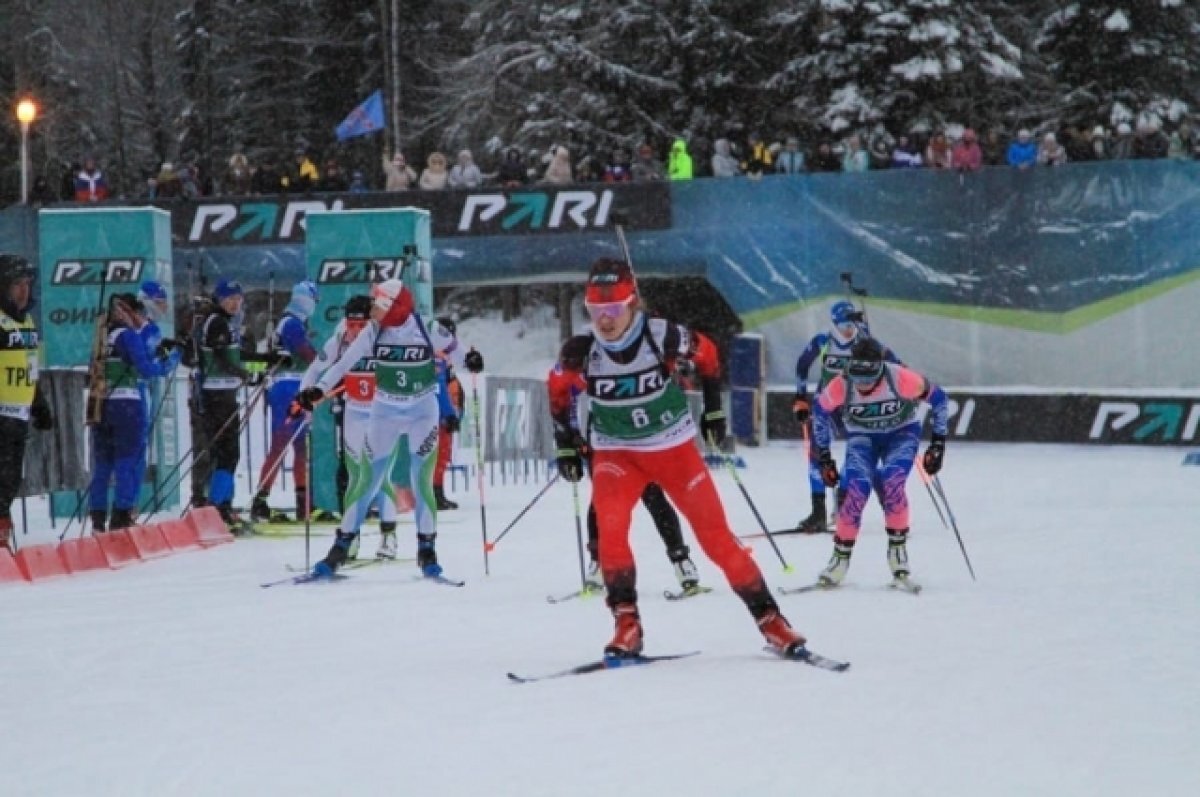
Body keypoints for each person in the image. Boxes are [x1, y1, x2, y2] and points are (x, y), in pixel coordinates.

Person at [552, 257, 808, 658]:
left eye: (614, 309)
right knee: (610, 533)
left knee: (716, 539)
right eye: (596, 311)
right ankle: (627, 624)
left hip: (673, 450)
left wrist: (713, 408)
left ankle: (771, 620)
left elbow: (707, 354)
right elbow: (558, 391)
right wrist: (566, 443)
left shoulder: (663, 336)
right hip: (616, 453)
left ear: (632, 303)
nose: (605, 321)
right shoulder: (581, 350)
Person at [296, 280, 484, 577]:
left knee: (421, 479)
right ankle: (340, 548)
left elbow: (458, 352)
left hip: (422, 411)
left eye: (379, 305)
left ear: (397, 306)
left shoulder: (427, 328)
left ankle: (427, 549)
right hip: (384, 412)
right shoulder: (373, 330)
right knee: (367, 480)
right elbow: (344, 364)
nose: (373, 310)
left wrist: (471, 360)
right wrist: (318, 390)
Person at [548, 336, 704, 596]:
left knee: (654, 497)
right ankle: (598, 564)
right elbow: (560, 410)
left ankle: (682, 563)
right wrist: (567, 448)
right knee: (603, 501)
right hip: (602, 443)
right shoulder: (564, 374)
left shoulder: (617, 364)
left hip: (640, 440)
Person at [810, 337, 948, 591]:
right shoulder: (842, 383)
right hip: (862, 438)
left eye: (869, 378)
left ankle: (898, 556)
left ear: (880, 369)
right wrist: (825, 459)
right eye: (857, 377)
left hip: (901, 434)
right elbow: (819, 412)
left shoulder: (901, 378)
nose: (862, 385)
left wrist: (937, 445)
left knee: (892, 481)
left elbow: (939, 399)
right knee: (856, 489)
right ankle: (839, 561)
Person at [301, 295, 404, 558]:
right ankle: (351, 538)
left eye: (361, 325)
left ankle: (388, 536)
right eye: (351, 324)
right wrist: (306, 398)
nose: (355, 331)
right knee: (356, 477)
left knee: (381, 476)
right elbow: (314, 371)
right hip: (354, 413)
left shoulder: (386, 337)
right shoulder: (338, 340)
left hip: (383, 414)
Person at [792, 301, 900, 534]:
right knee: (817, 456)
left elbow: (895, 364)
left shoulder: (866, 343)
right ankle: (818, 513)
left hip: (855, 408)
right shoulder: (823, 341)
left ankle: (857, 507)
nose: (848, 329)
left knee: (862, 457)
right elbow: (802, 366)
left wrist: (909, 387)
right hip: (827, 407)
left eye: (852, 323)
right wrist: (800, 398)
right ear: (834, 323)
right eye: (843, 324)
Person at [88, 294, 181, 532]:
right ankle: (121, 516)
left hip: (101, 404)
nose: (139, 320)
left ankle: (98, 519)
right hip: (127, 404)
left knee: (103, 465)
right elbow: (146, 369)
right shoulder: (127, 335)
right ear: (127, 313)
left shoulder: (102, 335)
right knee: (127, 461)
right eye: (136, 314)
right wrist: (171, 361)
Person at [250, 281, 320, 522]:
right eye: (314, 301)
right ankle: (261, 499)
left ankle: (303, 501)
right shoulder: (290, 322)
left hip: (297, 385)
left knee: (301, 446)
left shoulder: (295, 322)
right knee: (282, 443)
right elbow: (306, 353)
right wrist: (324, 361)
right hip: (286, 387)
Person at [0, 255, 53, 552]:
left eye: (27, 285)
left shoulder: (28, 323)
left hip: (17, 415)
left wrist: (39, 403)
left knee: (10, 480)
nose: (23, 291)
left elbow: (30, 369)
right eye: (17, 285)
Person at [194, 279, 254, 527]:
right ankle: (216, 507)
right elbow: (221, 358)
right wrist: (243, 374)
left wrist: (269, 358)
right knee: (227, 454)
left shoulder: (225, 322)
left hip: (224, 394)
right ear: (219, 299)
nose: (235, 303)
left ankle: (224, 505)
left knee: (228, 454)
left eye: (238, 299)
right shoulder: (217, 321)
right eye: (229, 298)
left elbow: (235, 355)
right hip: (216, 395)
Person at [431, 317, 465, 511]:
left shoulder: (447, 360)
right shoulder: (437, 357)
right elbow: (439, 387)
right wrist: (449, 414)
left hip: (444, 414)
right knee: (437, 455)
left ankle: (437, 492)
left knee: (442, 456)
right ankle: (434, 493)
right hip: (437, 417)